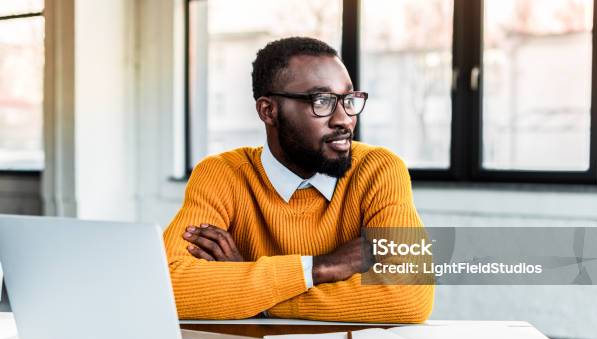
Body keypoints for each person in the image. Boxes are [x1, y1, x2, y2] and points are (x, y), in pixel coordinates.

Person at [163, 36, 434, 322]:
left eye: (348, 99)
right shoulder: (221, 174)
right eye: (322, 101)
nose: (344, 119)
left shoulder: (379, 169)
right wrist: (320, 267)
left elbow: (410, 294)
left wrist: (254, 295)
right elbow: (165, 283)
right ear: (269, 111)